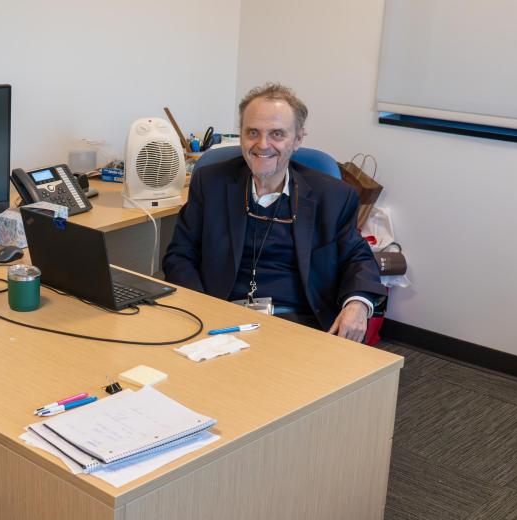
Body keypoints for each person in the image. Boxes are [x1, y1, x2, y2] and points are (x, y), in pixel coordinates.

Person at [163, 83, 386, 343]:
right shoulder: (211, 182)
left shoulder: (333, 196)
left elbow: (357, 257)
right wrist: (203, 312)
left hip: (298, 322)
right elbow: (179, 255)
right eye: (253, 132)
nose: (262, 144)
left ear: (298, 139)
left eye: (277, 134)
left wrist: (357, 304)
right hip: (219, 317)